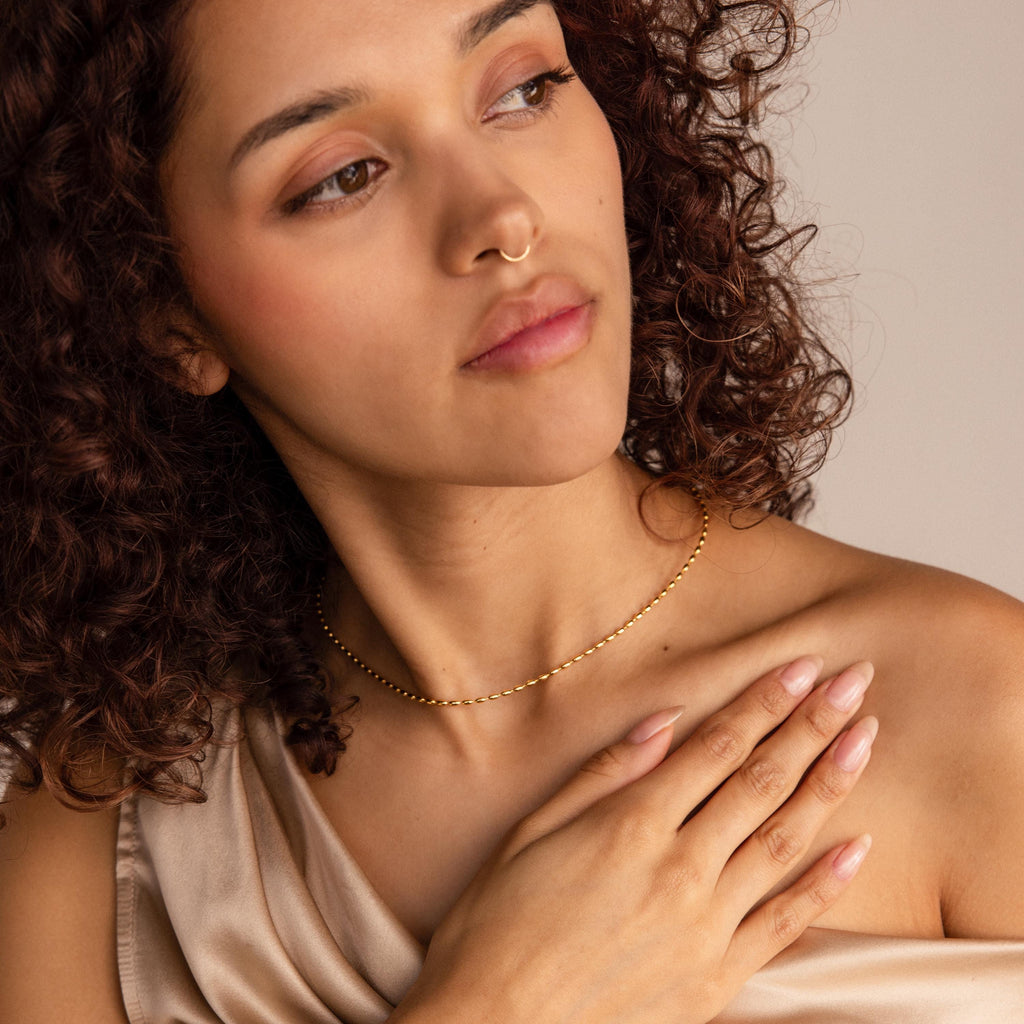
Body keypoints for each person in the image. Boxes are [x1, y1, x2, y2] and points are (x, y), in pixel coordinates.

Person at [1, 0, 1023, 1021]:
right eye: (343, 176)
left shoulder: (976, 712)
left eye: (524, 88)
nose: (503, 217)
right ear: (162, 311)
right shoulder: (104, 840)